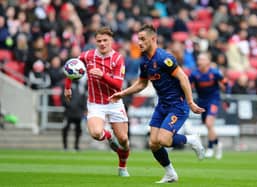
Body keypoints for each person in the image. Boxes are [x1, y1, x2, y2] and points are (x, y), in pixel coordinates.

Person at [109, 24, 205, 183]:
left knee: (164, 140)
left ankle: (192, 140)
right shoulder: (145, 61)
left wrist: (190, 102)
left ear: (153, 39)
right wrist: (123, 93)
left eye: (142, 39)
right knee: (153, 143)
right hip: (162, 105)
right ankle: (171, 174)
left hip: (177, 105)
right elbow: (142, 84)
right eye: (138, 39)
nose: (139, 43)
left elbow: (183, 78)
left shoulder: (164, 58)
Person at [64, 27, 130, 177]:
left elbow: (118, 85)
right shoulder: (87, 56)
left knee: (124, 140)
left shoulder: (118, 58)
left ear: (111, 41)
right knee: (95, 133)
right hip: (95, 103)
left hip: (114, 103)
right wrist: (67, 87)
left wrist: (102, 75)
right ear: (95, 41)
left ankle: (122, 167)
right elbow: (72, 66)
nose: (102, 43)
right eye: (99, 41)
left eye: (105, 40)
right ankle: (109, 136)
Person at [189, 52, 226, 159]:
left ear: (208, 62)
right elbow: (187, 85)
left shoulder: (215, 73)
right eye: (199, 59)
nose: (199, 61)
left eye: (202, 59)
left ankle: (210, 147)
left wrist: (226, 95)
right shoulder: (194, 74)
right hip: (202, 102)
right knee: (208, 125)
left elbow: (226, 83)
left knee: (209, 124)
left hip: (213, 100)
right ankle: (218, 144)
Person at [62, 80, 86, 151]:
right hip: (69, 112)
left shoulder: (82, 87)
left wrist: (84, 109)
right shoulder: (68, 85)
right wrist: (68, 105)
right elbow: (63, 97)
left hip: (78, 113)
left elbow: (84, 99)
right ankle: (65, 146)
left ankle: (76, 146)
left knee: (78, 130)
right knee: (65, 129)